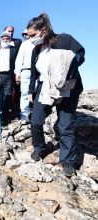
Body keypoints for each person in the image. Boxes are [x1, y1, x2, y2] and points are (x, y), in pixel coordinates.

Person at [26, 13, 85, 177]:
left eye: (32, 35)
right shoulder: (36, 50)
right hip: (44, 88)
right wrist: (31, 91)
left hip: (67, 89)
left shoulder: (64, 39)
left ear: (43, 30)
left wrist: (70, 64)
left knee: (65, 126)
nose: (29, 39)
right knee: (36, 121)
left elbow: (80, 54)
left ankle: (68, 161)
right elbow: (33, 73)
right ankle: (40, 148)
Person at [0, 31, 20, 121]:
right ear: (0, 39)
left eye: (7, 38)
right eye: (3, 38)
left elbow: (17, 62)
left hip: (9, 75)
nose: (5, 40)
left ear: (10, 39)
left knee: (7, 95)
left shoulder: (14, 50)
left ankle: (5, 114)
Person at [14, 29, 35, 124]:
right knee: (25, 93)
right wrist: (17, 73)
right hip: (26, 71)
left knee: (37, 92)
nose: (26, 35)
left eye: (27, 34)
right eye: (24, 34)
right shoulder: (24, 44)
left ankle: (36, 114)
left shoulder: (39, 43)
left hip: (38, 71)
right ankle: (24, 115)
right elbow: (19, 59)